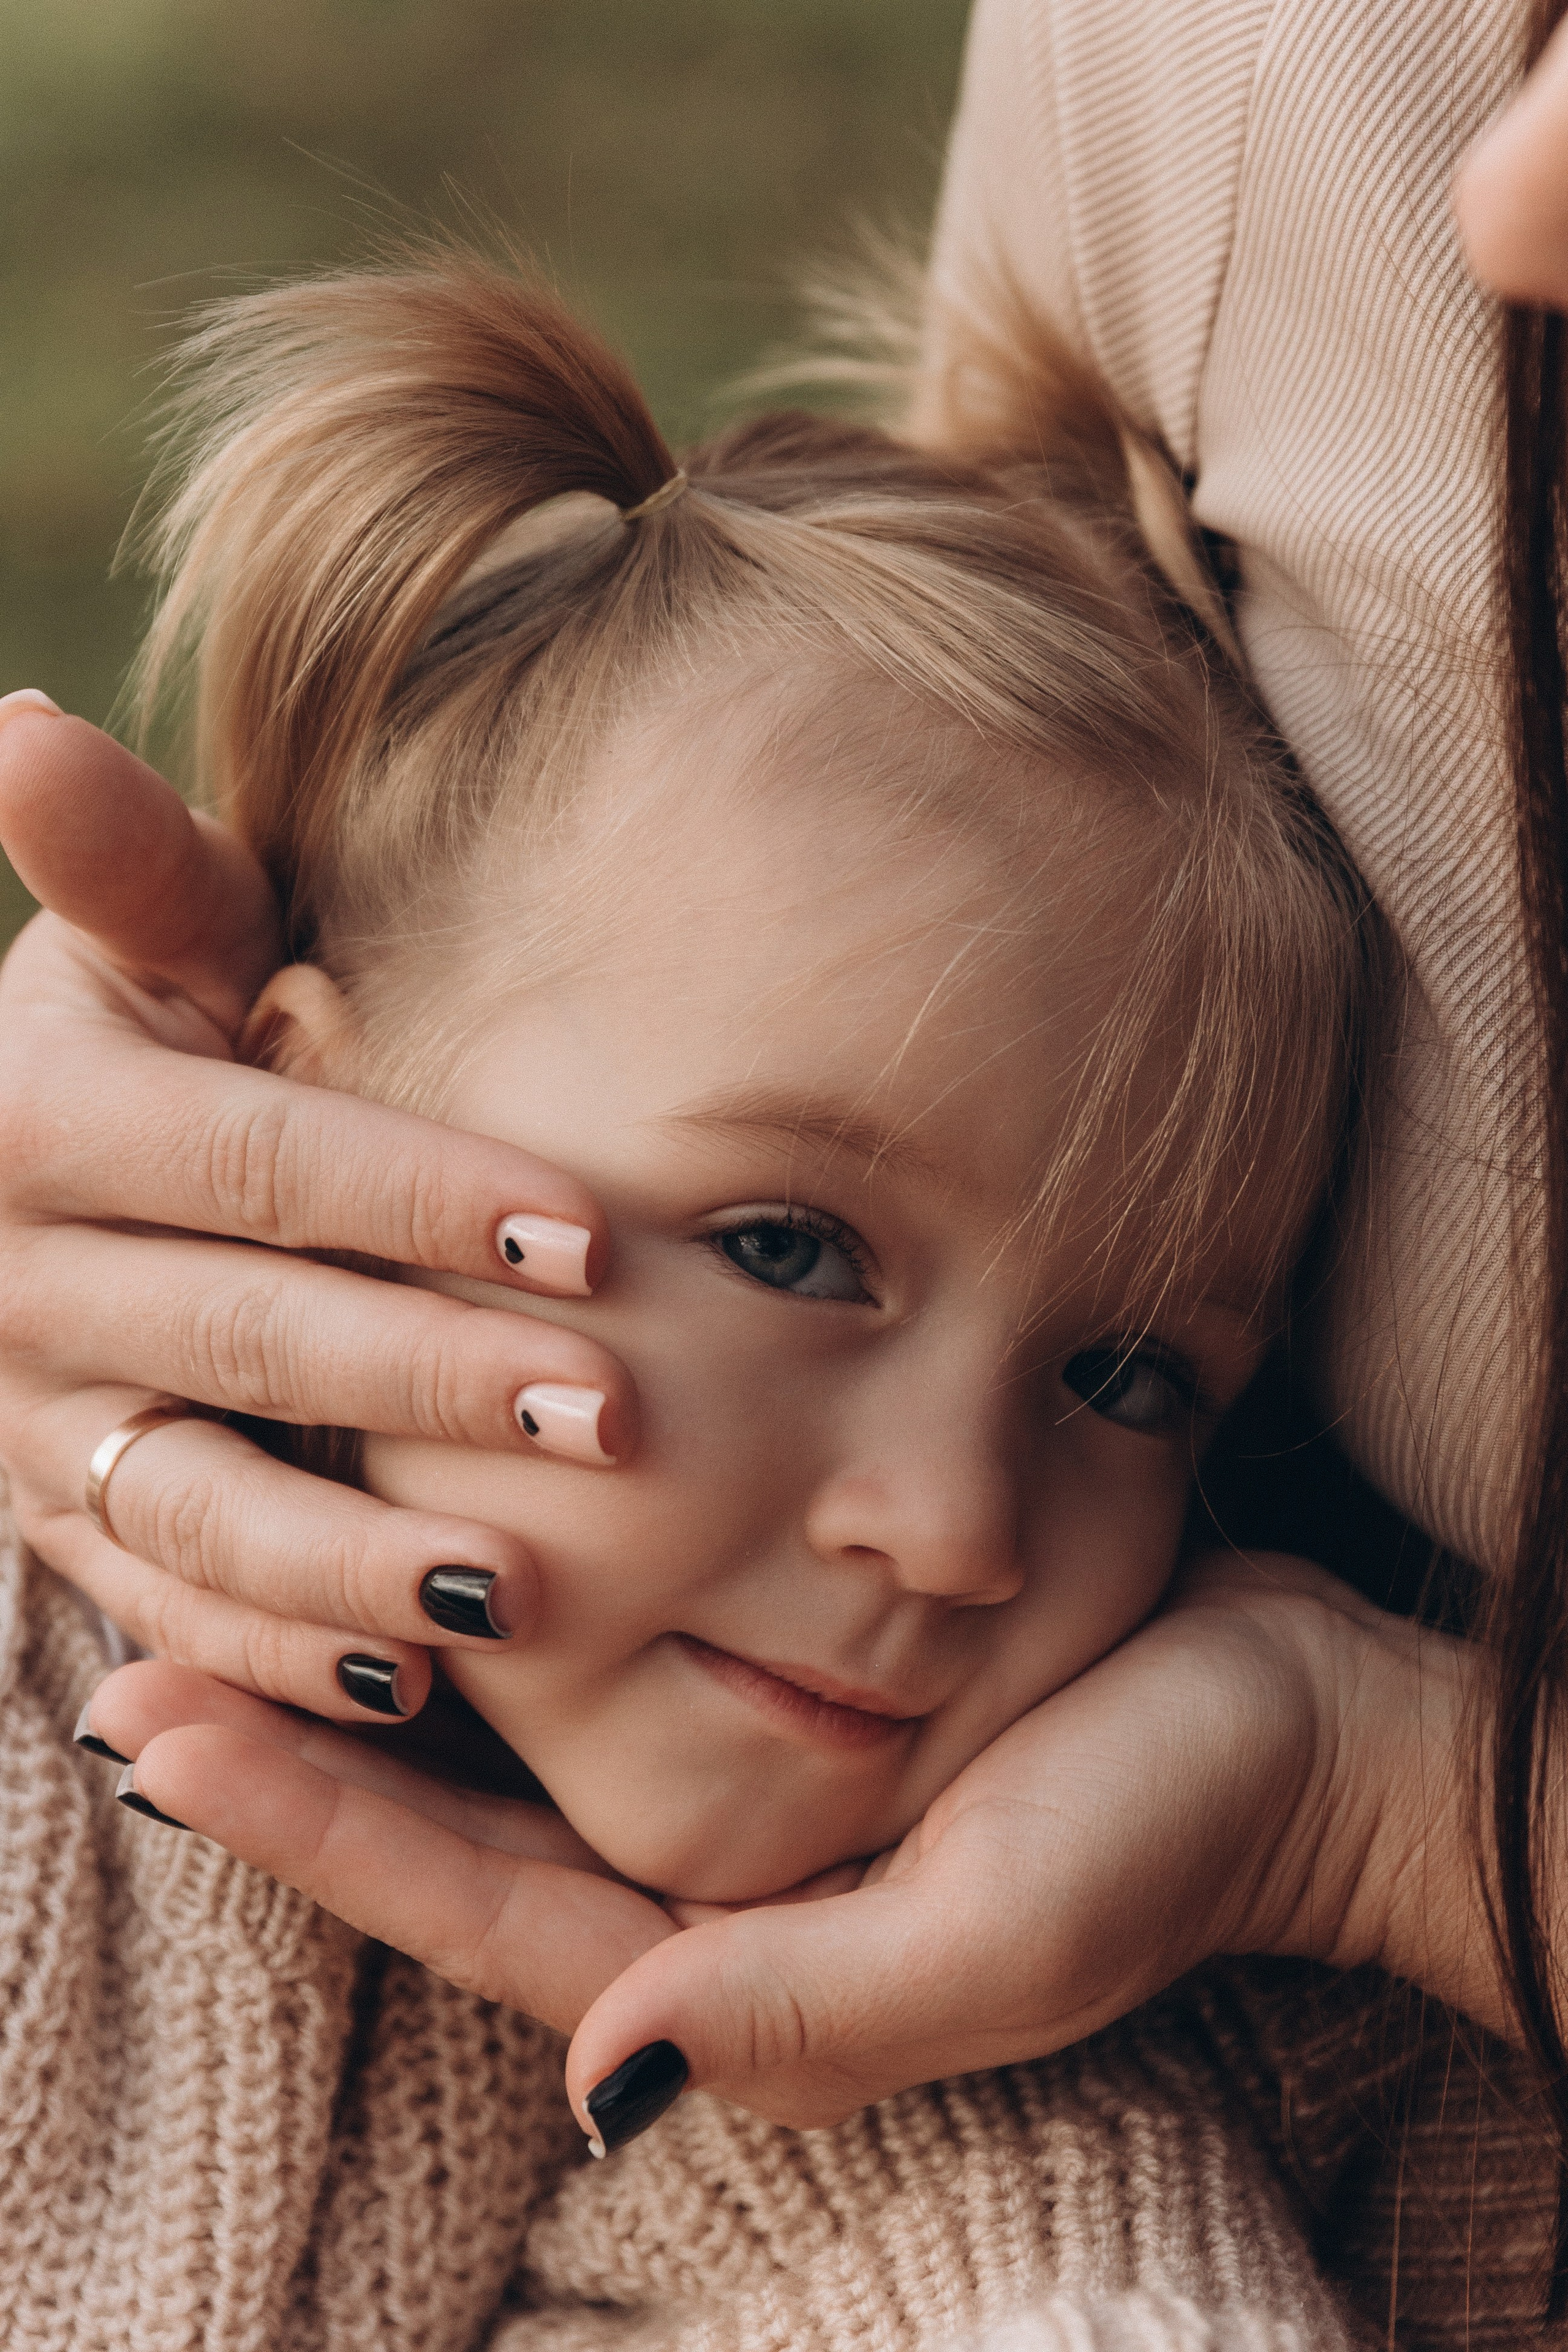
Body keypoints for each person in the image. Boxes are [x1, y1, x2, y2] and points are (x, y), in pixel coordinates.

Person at [3, 0, 1568, 2338]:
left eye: (1133, 1379)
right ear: (299, 1110)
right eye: (783, 1245)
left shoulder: (993, 2021)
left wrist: (1373, 1806)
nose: (950, 1534)